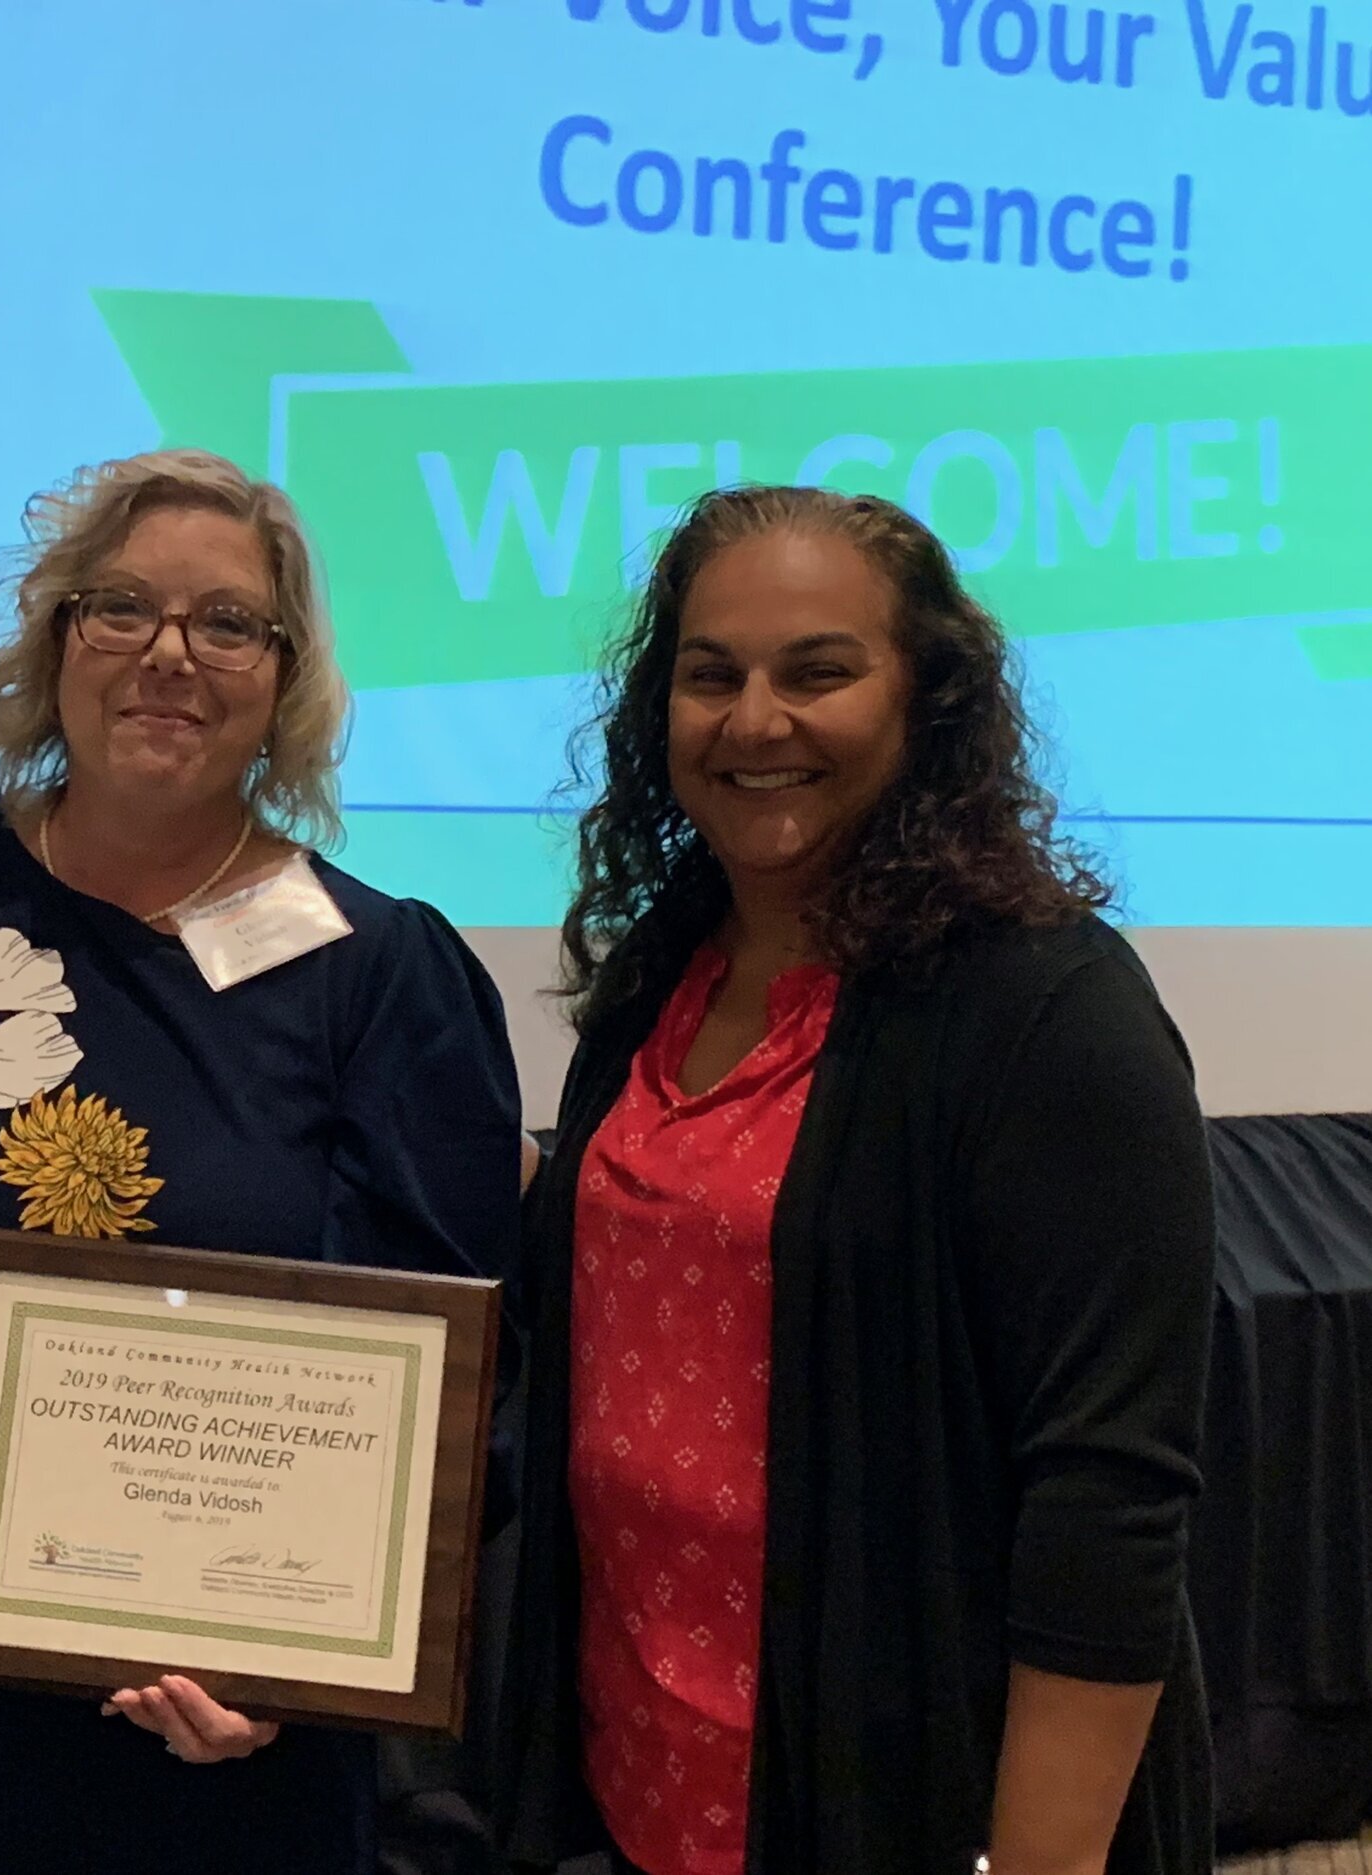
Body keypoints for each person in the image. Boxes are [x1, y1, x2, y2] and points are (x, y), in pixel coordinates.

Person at [0, 449, 523, 1874]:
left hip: (202, 1728)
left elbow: (458, 1387)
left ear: (286, 676)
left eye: (229, 624)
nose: (169, 656)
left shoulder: (376, 972)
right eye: (121, 607)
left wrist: (293, 1663)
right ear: (57, 636)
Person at [498, 485, 1215, 1875]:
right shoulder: (664, 973)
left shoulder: (1049, 1014)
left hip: (915, 1810)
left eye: (817, 671)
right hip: (640, 1785)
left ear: (926, 702)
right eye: (711, 675)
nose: (754, 719)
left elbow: (1109, 1506)